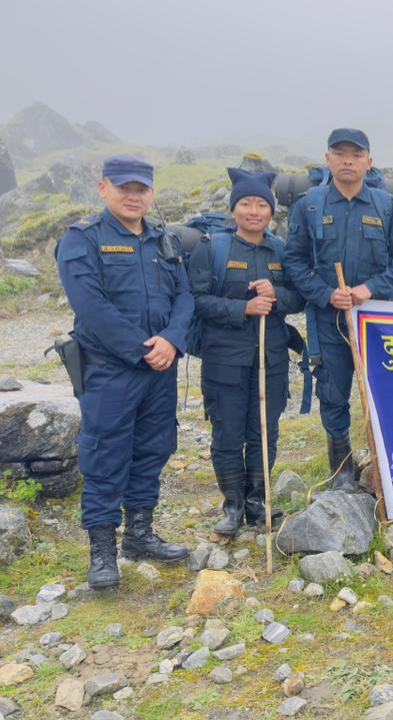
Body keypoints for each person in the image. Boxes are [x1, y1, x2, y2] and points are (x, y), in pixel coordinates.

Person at [55, 156, 193, 590]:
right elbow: (91, 307)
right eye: (124, 188)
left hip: (160, 367)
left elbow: (185, 297)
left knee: (153, 449)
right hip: (110, 372)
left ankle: (139, 535)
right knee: (105, 455)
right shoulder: (83, 240)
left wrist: (171, 340)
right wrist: (143, 350)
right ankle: (101, 551)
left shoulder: (163, 240)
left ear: (151, 193)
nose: (134, 196)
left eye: (142, 189)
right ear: (103, 188)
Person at [283, 129, 393, 492]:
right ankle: (341, 469)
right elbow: (293, 262)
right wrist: (326, 294)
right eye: (339, 153)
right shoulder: (309, 206)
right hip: (330, 320)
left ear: (369, 162)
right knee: (333, 391)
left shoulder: (387, 207)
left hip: (378, 321)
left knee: (387, 391)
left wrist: (370, 289)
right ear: (327, 159)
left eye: (355, 155)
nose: (347, 160)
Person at [189, 169, 305, 535]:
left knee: (264, 432)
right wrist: (243, 309)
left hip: (270, 359)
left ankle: (258, 503)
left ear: (271, 211)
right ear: (234, 208)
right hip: (224, 361)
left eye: (261, 204)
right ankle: (232, 507)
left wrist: (275, 296)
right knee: (227, 433)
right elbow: (196, 300)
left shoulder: (282, 251)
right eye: (245, 203)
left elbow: (298, 297)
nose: (254, 211)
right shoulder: (213, 248)